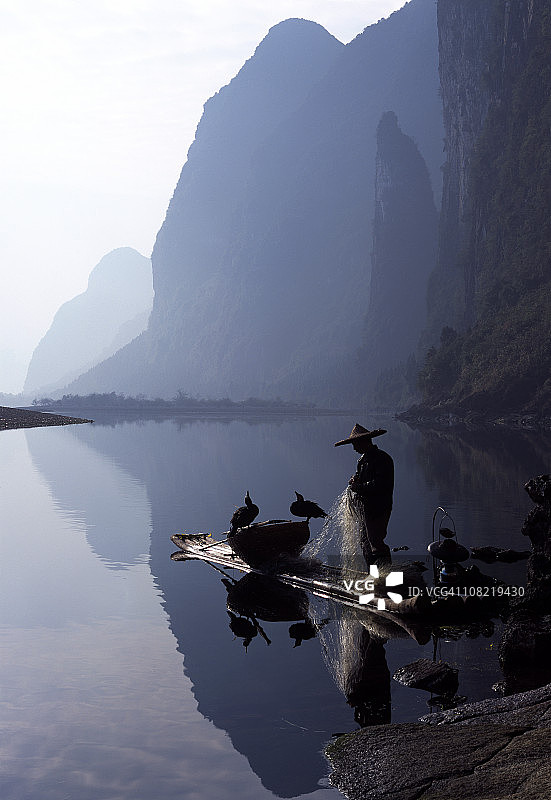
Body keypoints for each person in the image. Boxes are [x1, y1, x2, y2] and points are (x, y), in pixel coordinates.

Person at [334, 423, 394, 563]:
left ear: (364, 442)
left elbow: (380, 484)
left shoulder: (382, 459)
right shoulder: (362, 460)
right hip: (365, 507)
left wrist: (358, 487)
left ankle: (388, 577)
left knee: (376, 541)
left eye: (355, 444)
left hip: (379, 507)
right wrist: (355, 480)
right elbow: (360, 478)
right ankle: (374, 576)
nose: (354, 448)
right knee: (365, 541)